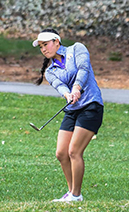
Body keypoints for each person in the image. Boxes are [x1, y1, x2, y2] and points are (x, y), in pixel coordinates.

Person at [32, 29, 104, 202]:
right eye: (40, 46)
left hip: (90, 106)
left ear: (57, 41)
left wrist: (77, 88)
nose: (43, 49)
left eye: (46, 44)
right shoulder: (50, 71)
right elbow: (60, 86)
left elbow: (83, 69)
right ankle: (71, 193)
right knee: (61, 153)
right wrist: (68, 95)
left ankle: (76, 195)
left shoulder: (77, 49)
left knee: (74, 151)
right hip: (72, 109)